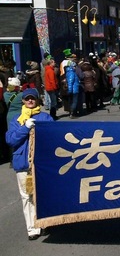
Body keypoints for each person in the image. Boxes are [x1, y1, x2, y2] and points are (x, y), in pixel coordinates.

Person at [5, 88, 53, 240]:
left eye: (33, 98)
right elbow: (10, 139)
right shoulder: (16, 119)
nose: (30, 101)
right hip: (23, 164)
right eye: (27, 99)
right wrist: (25, 128)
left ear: (38, 100)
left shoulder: (45, 118)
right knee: (27, 196)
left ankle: (43, 223)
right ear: (23, 101)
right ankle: (32, 228)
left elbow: (53, 138)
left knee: (42, 194)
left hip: (40, 165)